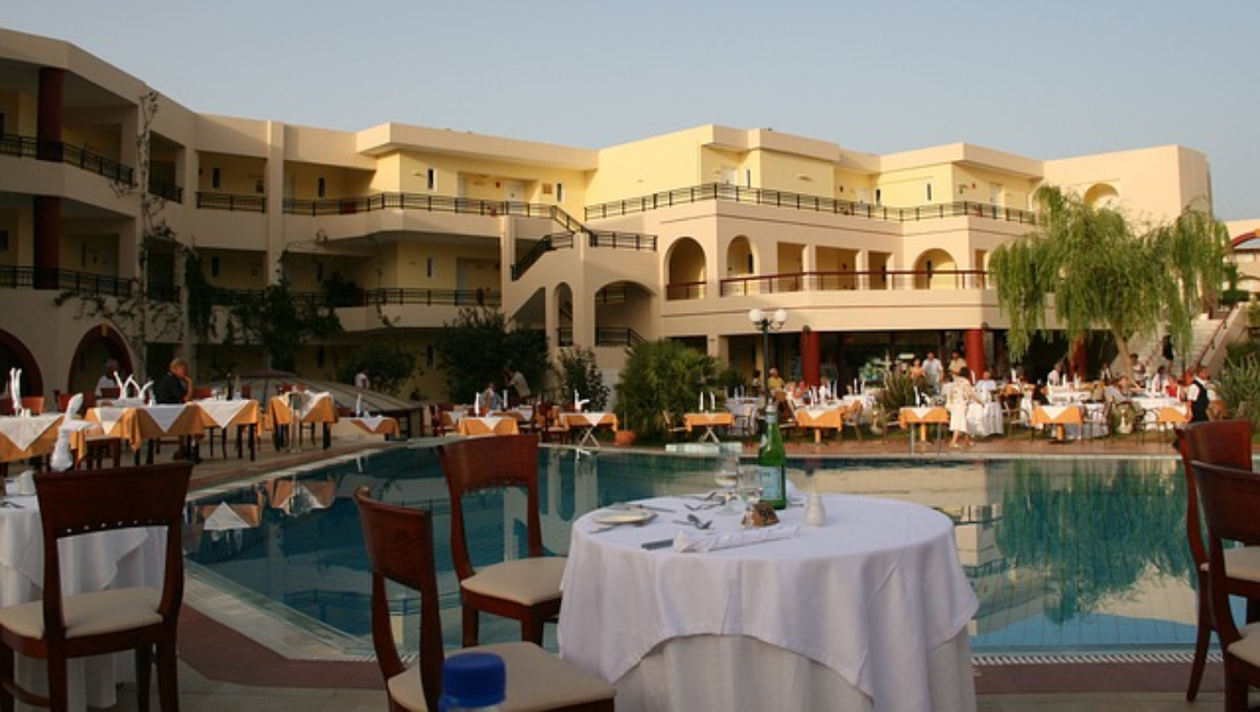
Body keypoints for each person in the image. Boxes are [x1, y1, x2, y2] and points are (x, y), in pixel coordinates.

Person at [948, 367, 979, 448]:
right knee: (959, 423)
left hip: (954, 404)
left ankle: (967, 441)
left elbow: (950, 393)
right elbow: (971, 394)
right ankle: (953, 442)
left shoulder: (955, 381)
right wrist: (980, 402)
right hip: (961, 404)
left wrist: (950, 403)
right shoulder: (966, 382)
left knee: (963, 422)